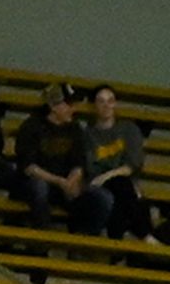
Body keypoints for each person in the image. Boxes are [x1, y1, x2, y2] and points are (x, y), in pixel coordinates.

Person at [74, 86, 150, 239]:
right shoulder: (87, 135)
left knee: (121, 188)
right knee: (124, 191)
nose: (106, 105)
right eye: (101, 101)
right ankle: (145, 235)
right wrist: (105, 178)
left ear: (115, 104)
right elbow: (91, 169)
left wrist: (107, 175)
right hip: (101, 186)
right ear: (93, 105)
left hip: (122, 183)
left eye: (110, 101)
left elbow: (131, 165)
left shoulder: (129, 129)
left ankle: (119, 241)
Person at [14, 84, 88, 229]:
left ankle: (81, 241)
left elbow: (78, 163)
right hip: (33, 183)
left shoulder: (75, 129)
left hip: (63, 185)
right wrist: (59, 181)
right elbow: (29, 167)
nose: (73, 109)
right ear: (54, 106)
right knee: (40, 187)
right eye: (69, 104)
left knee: (99, 197)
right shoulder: (31, 127)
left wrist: (72, 180)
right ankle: (43, 238)